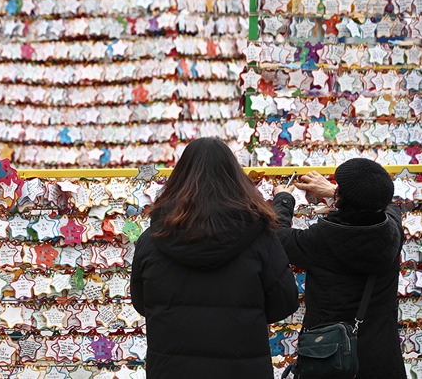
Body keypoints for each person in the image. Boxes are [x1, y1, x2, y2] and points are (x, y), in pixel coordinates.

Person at [131, 137, 299, 379]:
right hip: (242, 370)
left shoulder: (152, 240)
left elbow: (142, 302)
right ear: (236, 178)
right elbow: (284, 302)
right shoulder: (260, 238)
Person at [273, 159, 406, 379]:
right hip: (382, 357)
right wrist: (335, 193)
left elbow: (278, 237)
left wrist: (283, 199)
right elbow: (389, 206)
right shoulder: (393, 229)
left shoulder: (322, 239)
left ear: (341, 199)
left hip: (330, 357)